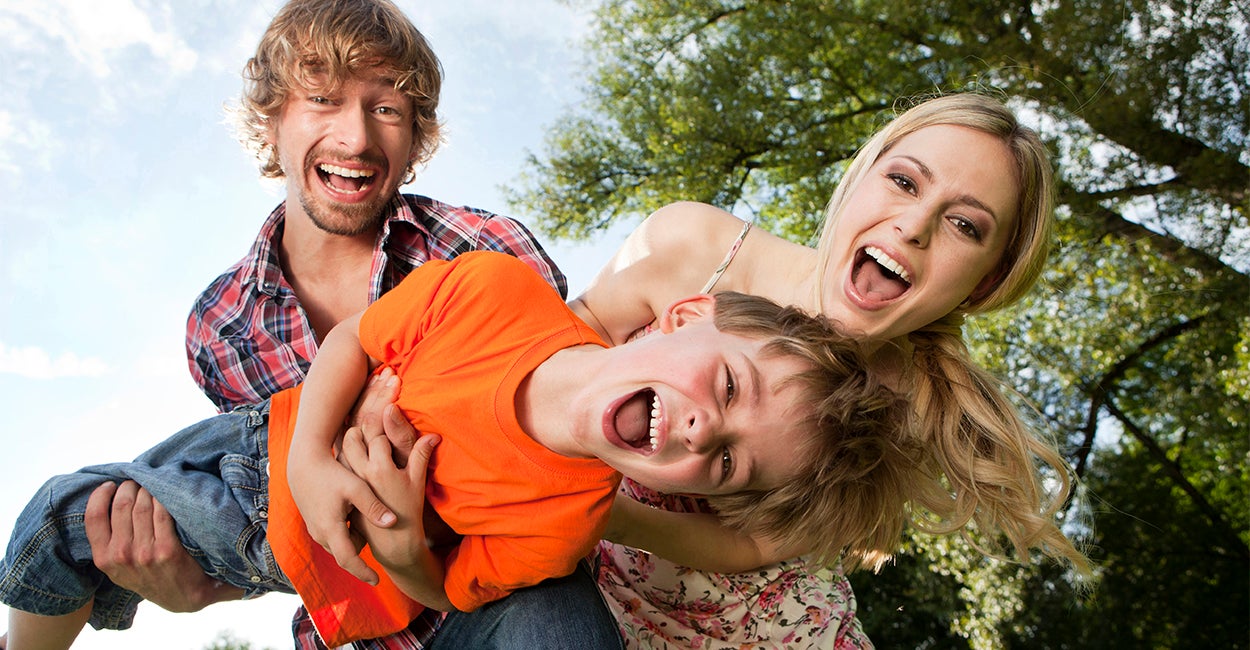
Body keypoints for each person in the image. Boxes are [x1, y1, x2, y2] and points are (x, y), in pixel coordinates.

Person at [0, 251, 906, 650]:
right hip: (258, 469)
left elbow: (457, 589)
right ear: (686, 317)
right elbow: (353, 340)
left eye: (729, 464)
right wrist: (315, 460)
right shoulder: (495, 291)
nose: (710, 429)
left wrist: (403, 554)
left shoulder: (573, 520)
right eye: (732, 388)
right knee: (63, 519)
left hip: (299, 570)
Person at [78, 0, 600, 648]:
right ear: (272, 121)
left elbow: (559, 455)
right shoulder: (222, 327)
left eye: (385, 108)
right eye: (323, 99)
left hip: (505, 601)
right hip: (362, 626)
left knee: (552, 607)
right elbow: (274, 515)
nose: (356, 137)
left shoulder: (482, 250)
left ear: (415, 137)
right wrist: (201, 589)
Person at [565, 92, 1092, 647]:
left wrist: (609, 517)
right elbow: (564, 350)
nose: (914, 226)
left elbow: (758, 546)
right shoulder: (696, 247)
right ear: (861, 175)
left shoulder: (910, 402)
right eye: (905, 182)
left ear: (985, 282)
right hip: (570, 577)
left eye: (964, 224)